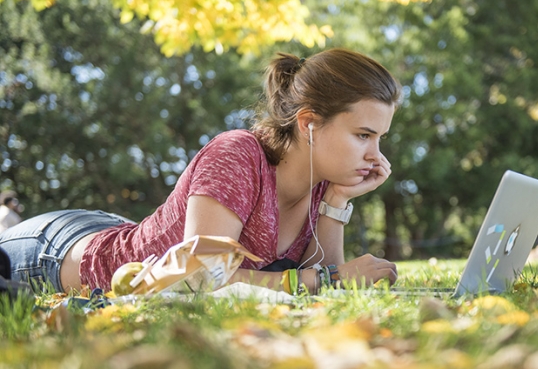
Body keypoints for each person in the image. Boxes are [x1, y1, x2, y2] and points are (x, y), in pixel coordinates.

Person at [0, 48, 401, 295]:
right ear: (309, 122)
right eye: (363, 134)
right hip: (55, 254)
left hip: (121, 232)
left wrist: (336, 201)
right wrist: (332, 279)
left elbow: (319, 277)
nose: (375, 155)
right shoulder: (237, 155)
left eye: (379, 137)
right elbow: (201, 277)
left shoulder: (321, 185)